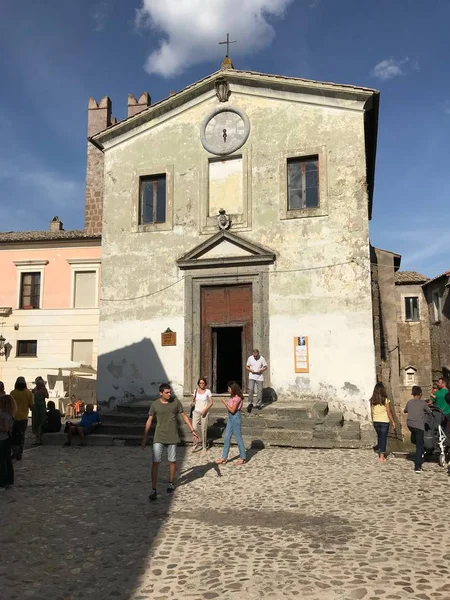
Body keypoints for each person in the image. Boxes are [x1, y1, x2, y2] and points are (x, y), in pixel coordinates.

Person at [141, 383, 199, 501]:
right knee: (155, 462)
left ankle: (170, 482)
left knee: (172, 461)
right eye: (166, 392)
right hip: (159, 436)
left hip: (172, 436)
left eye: (170, 392)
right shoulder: (155, 404)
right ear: (161, 393)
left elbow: (184, 416)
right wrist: (144, 437)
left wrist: (192, 429)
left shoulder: (176, 402)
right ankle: (153, 489)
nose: (169, 394)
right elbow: (149, 420)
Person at [216, 381, 246, 466]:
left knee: (238, 438)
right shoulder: (232, 397)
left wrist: (224, 403)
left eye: (229, 388)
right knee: (226, 437)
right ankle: (224, 457)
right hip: (230, 418)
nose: (228, 390)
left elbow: (233, 410)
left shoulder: (237, 398)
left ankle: (243, 457)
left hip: (235, 417)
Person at [404, 386, 431, 473]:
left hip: (410, 424)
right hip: (419, 426)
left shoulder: (409, 402)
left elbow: (405, 411)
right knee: (419, 446)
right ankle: (417, 466)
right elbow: (429, 411)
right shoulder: (423, 403)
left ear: (412, 394)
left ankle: (415, 441)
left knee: (415, 438)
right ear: (420, 394)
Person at [370, 382, 396, 463]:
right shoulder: (385, 400)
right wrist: (393, 421)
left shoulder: (372, 400)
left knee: (379, 437)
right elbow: (388, 412)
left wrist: (373, 420)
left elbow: (372, 412)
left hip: (376, 421)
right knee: (383, 438)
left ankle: (380, 451)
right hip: (384, 421)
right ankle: (382, 457)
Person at [10, 376, 34, 460]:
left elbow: (10, 405)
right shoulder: (28, 393)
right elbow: (31, 406)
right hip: (24, 417)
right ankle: (20, 452)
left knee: (12, 435)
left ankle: (14, 451)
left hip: (14, 417)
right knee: (22, 435)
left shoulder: (13, 393)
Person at [191, 377, 213, 452]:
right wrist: (192, 403)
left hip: (204, 412)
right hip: (196, 411)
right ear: (198, 384)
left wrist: (205, 410)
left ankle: (204, 445)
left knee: (203, 429)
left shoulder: (208, 391)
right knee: (194, 428)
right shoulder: (196, 390)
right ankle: (195, 444)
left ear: (205, 383)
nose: (201, 384)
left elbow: (211, 402)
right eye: (200, 383)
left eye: (203, 383)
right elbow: (193, 400)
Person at [0, 394, 16, 491]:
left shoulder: (4, 415)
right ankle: (8, 481)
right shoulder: (10, 414)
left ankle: (2, 482)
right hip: (6, 440)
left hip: (2, 439)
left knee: (2, 462)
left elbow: (5, 428)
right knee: (6, 460)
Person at [32, 376, 49, 444]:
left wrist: (42, 392)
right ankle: (37, 437)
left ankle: (41, 437)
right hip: (36, 407)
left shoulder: (44, 389)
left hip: (41, 407)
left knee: (42, 421)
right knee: (36, 422)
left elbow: (47, 396)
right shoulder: (34, 389)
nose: (38, 385)